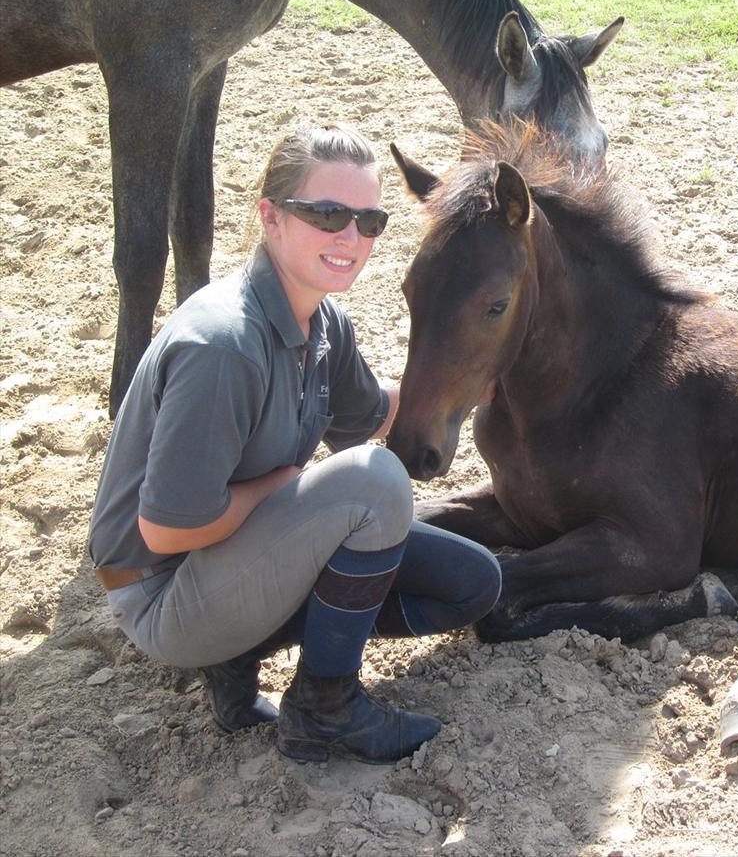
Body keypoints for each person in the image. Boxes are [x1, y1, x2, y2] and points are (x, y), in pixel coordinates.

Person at [86, 123, 501, 765]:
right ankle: (323, 711)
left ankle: (237, 655)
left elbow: (372, 413)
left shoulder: (323, 320)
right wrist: (277, 487)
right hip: (162, 592)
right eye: (328, 213)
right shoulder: (223, 345)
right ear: (271, 217)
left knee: (471, 582)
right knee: (374, 482)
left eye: (369, 220)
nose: (350, 237)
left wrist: (470, 385)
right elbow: (167, 531)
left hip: (231, 562)